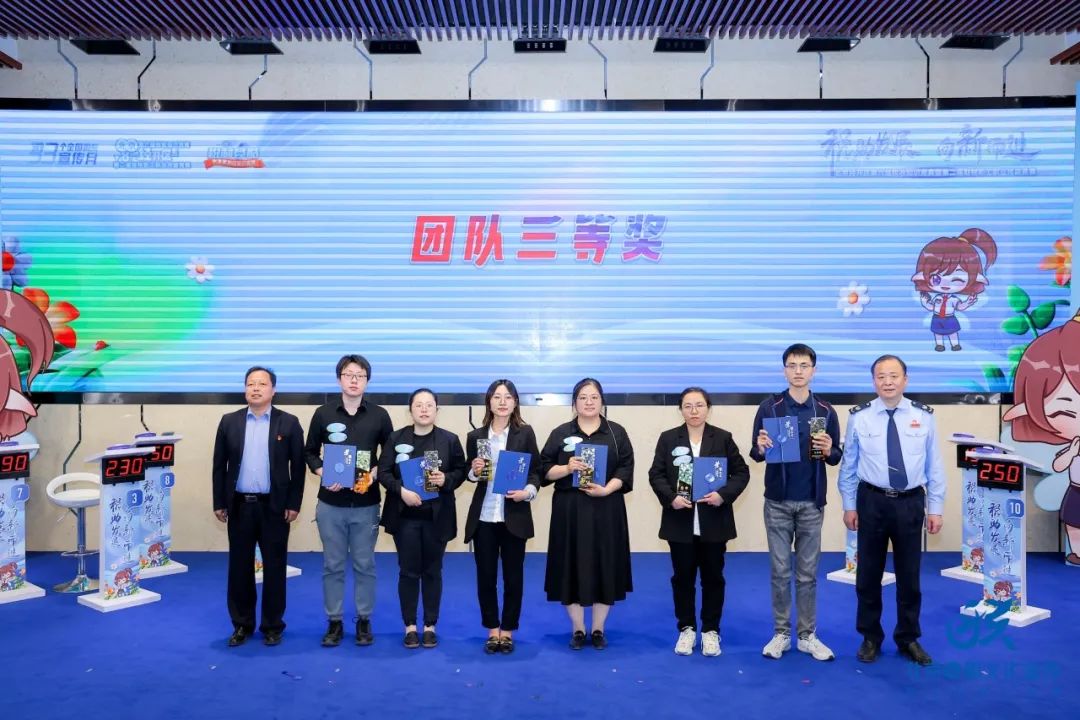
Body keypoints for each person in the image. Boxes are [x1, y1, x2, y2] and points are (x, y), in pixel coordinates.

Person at [838, 355, 945, 666]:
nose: (887, 382)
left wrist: (936, 508)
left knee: (909, 576)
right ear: (874, 381)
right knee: (868, 575)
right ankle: (870, 636)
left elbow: (934, 465)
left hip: (910, 502)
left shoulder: (924, 416)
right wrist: (849, 505)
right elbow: (849, 465)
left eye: (894, 376)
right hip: (871, 501)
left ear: (905, 380)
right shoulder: (859, 417)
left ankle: (908, 637)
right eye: (881, 376)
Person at [749, 344, 842, 661]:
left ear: (814, 370)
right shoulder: (770, 407)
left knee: (807, 574)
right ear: (784, 370)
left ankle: (806, 635)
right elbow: (755, 453)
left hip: (812, 503)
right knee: (779, 572)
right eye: (792, 365)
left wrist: (829, 449)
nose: (798, 371)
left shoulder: (825, 410)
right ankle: (781, 634)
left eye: (804, 365)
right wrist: (761, 447)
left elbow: (835, 457)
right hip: (777, 502)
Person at [648, 387, 749, 657]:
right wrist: (671, 498)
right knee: (682, 578)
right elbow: (656, 474)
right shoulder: (669, 438)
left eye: (699, 405)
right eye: (688, 406)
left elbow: (741, 472)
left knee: (713, 578)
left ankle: (710, 630)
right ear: (680, 409)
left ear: (708, 408)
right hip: (679, 522)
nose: (694, 411)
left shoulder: (723, 438)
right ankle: (687, 628)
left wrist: (722, 495)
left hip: (713, 522)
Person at [212, 366, 305, 647]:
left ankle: (272, 625)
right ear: (245, 389)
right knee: (239, 568)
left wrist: (294, 503)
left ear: (273, 390)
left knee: (275, 567)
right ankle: (242, 624)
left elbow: (298, 468)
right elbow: (219, 466)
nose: (255, 388)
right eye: (250, 383)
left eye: (262, 384)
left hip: (274, 507)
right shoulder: (229, 421)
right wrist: (219, 501)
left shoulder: (289, 423)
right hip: (240, 506)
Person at [304, 355, 393, 647]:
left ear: (367, 380)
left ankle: (364, 619)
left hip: (367, 504)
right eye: (348, 374)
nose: (354, 380)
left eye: (360, 375)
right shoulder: (323, 413)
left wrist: (374, 474)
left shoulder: (380, 415)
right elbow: (309, 452)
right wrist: (322, 472)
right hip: (330, 504)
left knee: (365, 564)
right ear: (339, 378)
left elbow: (389, 455)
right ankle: (334, 621)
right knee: (333, 564)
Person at [540, 377, 634, 650]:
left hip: (607, 507)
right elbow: (543, 470)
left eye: (594, 397)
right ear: (574, 403)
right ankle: (578, 628)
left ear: (602, 401)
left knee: (606, 564)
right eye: (583, 397)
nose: (589, 402)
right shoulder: (560, 433)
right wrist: (567, 468)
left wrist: (607, 489)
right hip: (569, 510)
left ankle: (598, 628)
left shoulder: (616, 432)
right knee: (569, 565)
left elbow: (626, 468)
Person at [379, 389, 466, 649]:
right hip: (404, 517)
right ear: (410, 410)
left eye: (429, 405)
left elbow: (460, 471)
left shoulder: (449, 440)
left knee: (432, 571)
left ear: (437, 409)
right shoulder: (396, 438)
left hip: (436, 517)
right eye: (419, 405)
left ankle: (429, 625)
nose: (424, 409)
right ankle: (410, 626)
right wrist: (401, 491)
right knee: (408, 571)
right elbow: (383, 472)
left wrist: (445, 479)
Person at [464, 379, 543, 654]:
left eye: (508, 397)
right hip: (484, 517)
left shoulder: (525, 433)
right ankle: (492, 629)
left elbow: (536, 471)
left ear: (515, 402)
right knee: (485, 577)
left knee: (513, 577)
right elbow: (469, 473)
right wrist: (474, 471)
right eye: (497, 397)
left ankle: (507, 630)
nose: (502, 402)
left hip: (514, 515)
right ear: (489, 402)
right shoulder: (476, 437)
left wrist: (528, 492)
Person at [1002, 309, 1080, 566]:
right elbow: (1059, 465)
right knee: (1074, 522)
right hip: (1077, 490)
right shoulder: (1073, 445)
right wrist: (1071, 452)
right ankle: (1077, 552)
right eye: (1065, 409)